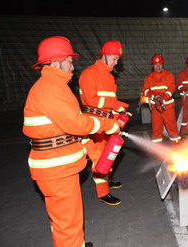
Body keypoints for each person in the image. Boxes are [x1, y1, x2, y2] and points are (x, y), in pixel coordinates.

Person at [23, 36, 122, 247]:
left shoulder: (55, 86)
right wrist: (107, 125)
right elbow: (76, 124)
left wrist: (90, 151)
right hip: (56, 169)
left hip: (60, 166)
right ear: (56, 61)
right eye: (70, 60)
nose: (72, 65)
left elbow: (68, 132)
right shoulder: (50, 88)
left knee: (68, 220)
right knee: (67, 223)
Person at [79, 40, 128, 206]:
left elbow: (109, 102)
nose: (116, 62)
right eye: (114, 58)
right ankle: (103, 192)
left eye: (117, 59)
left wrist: (118, 114)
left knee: (110, 154)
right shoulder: (89, 73)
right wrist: (115, 104)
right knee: (99, 159)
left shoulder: (109, 77)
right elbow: (90, 100)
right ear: (105, 56)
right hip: (95, 123)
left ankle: (107, 181)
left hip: (108, 121)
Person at [141, 54, 181, 144]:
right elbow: (145, 90)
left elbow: (171, 87)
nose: (158, 66)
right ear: (152, 66)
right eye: (156, 64)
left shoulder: (169, 75)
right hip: (155, 107)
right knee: (156, 129)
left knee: (172, 127)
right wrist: (154, 96)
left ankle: (176, 147)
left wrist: (164, 97)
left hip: (167, 106)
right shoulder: (148, 78)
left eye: (160, 64)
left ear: (163, 65)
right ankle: (158, 149)